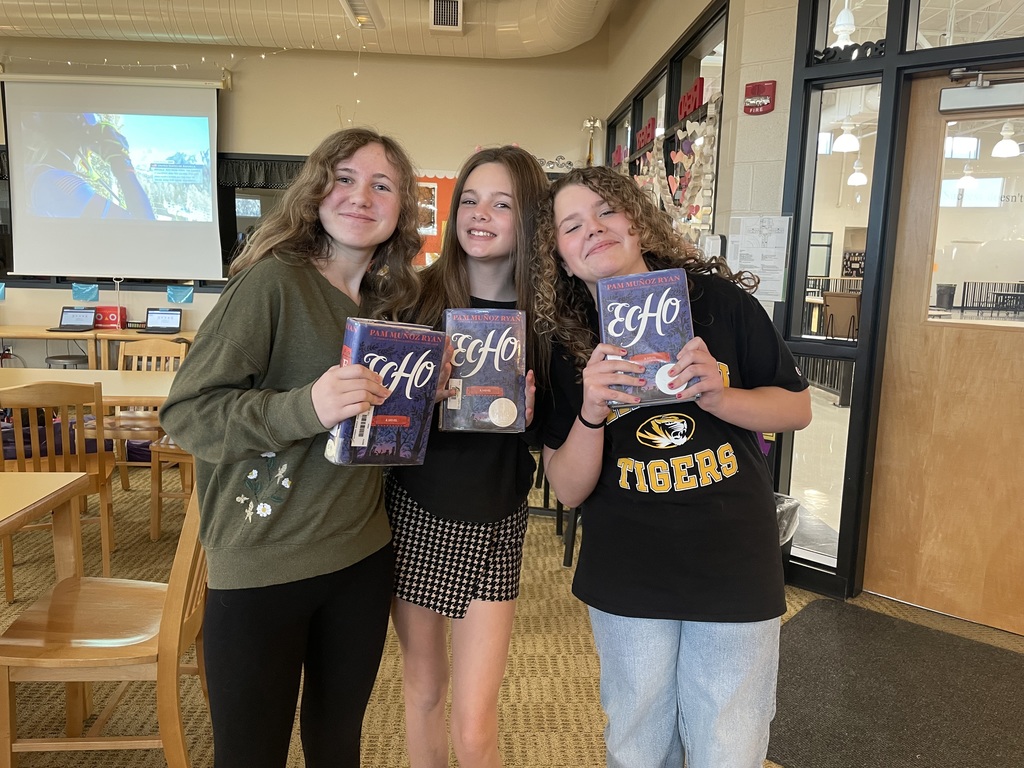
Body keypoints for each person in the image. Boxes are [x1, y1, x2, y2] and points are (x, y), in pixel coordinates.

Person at [159, 127, 424, 768]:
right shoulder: (273, 283)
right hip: (262, 562)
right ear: (315, 191)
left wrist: (424, 395)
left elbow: (374, 430)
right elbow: (188, 414)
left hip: (361, 558)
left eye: (381, 185)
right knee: (251, 754)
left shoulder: (394, 305)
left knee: (338, 747)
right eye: (345, 178)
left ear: (401, 208)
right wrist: (305, 407)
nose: (361, 196)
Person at [532, 166, 811, 768]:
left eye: (606, 211)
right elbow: (568, 488)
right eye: (571, 225)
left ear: (637, 219)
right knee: (638, 743)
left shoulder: (720, 305)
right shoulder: (563, 341)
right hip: (628, 567)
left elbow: (797, 407)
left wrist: (721, 396)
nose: (594, 230)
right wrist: (591, 409)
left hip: (733, 559)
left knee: (729, 745)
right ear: (560, 255)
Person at [385, 145, 548, 768]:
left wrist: (531, 422)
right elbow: (379, 421)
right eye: (470, 200)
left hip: (495, 521)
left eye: (502, 203)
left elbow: (559, 435)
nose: (481, 215)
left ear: (526, 219)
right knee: (424, 689)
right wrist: (413, 397)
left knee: (476, 721)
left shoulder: (545, 319)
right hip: (416, 511)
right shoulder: (415, 302)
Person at [24, 112, 155, 220]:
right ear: (78, 141)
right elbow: (146, 231)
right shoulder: (57, 181)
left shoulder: (38, 174)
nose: (89, 153)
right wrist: (123, 163)